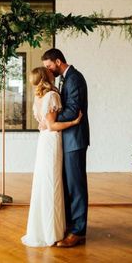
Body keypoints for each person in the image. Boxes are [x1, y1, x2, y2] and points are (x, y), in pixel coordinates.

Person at [21, 67, 82, 247]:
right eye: (47, 71)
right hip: (52, 141)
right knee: (52, 182)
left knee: (45, 182)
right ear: (45, 77)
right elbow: (52, 125)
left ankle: (46, 227)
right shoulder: (52, 96)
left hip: (44, 141)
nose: (50, 71)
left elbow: (44, 124)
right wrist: (74, 122)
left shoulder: (38, 97)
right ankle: (52, 231)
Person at [41, 48, 89, 248]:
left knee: (76, 186)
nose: (48, 71)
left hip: (74, 140)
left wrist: (50, 120)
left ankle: (78, 232)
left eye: (49, 66)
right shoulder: (65, 78)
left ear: (58, 61)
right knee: (68, 184)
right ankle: (70, 224)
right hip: (65, 139)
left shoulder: (75, 78)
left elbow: (72, 110)